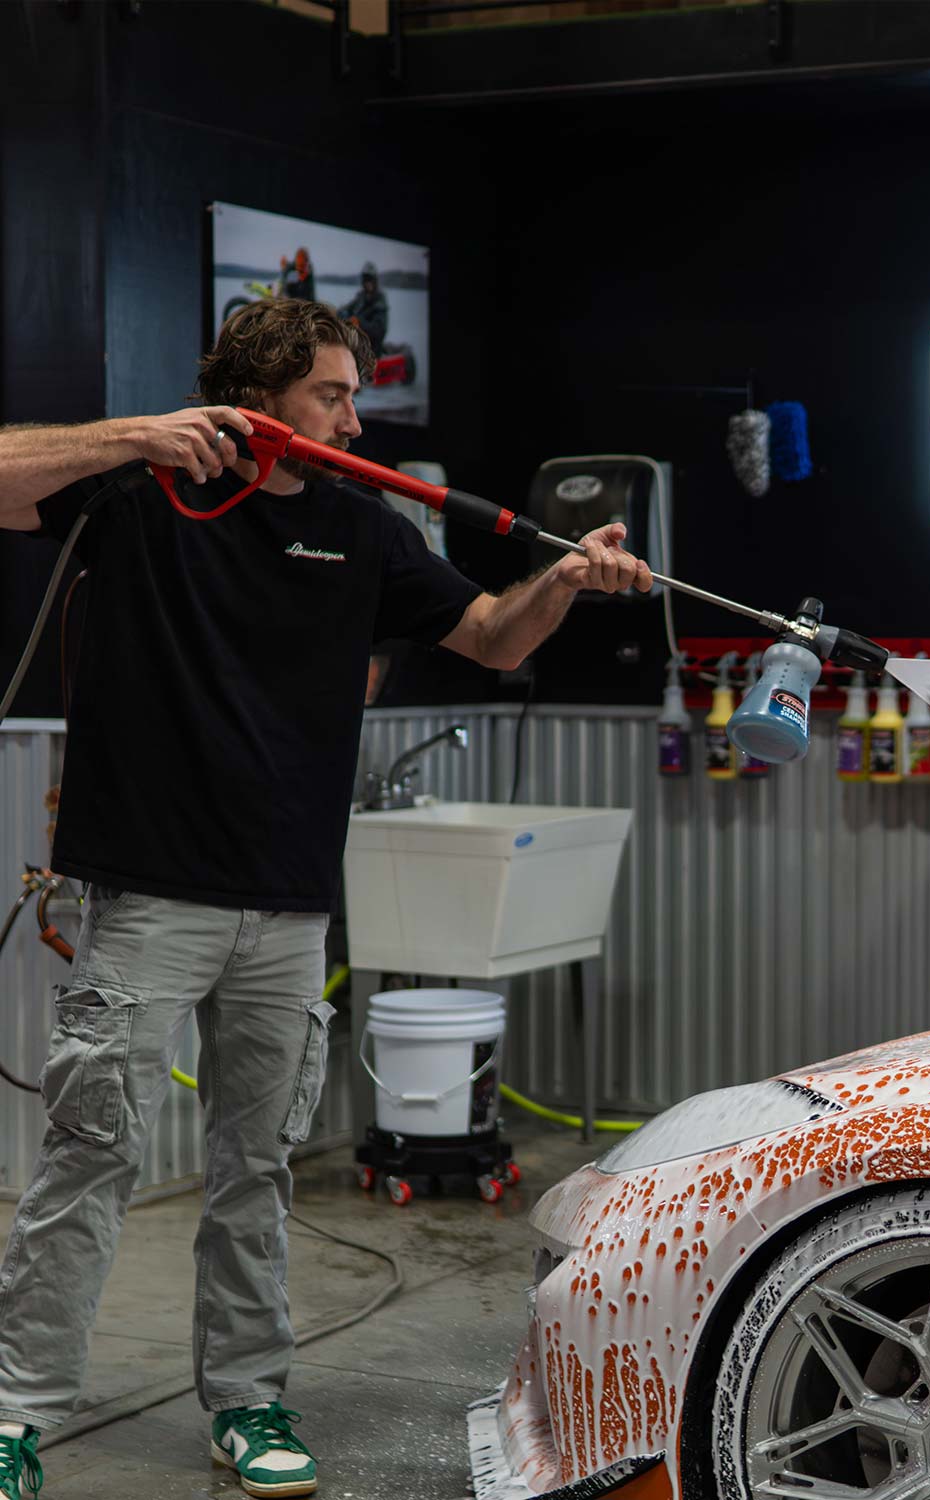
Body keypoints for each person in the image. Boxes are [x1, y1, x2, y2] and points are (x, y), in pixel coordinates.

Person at [0, 297, 651, 1500]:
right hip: (149, 897)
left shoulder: (361, 527)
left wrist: (561, 578)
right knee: (91, 1159)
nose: (356, 416)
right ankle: (16, 1412)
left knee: (260, 1170)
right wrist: (136, 434)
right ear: (261, 405)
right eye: (333, 396)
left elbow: (497, 640)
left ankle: (247, 1403)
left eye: (354, 393)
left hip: (288, 907)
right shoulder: (139, 498)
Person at [337, 261, 388, 356]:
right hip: (356, 344)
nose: (368, 283)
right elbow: (347, 308)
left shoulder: (380, 301)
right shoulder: (361, 297)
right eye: (366, 279)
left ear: (374, 281)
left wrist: (359, 322)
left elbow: (379, 330)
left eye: (370, 279)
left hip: (372, 350)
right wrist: (341, 314)